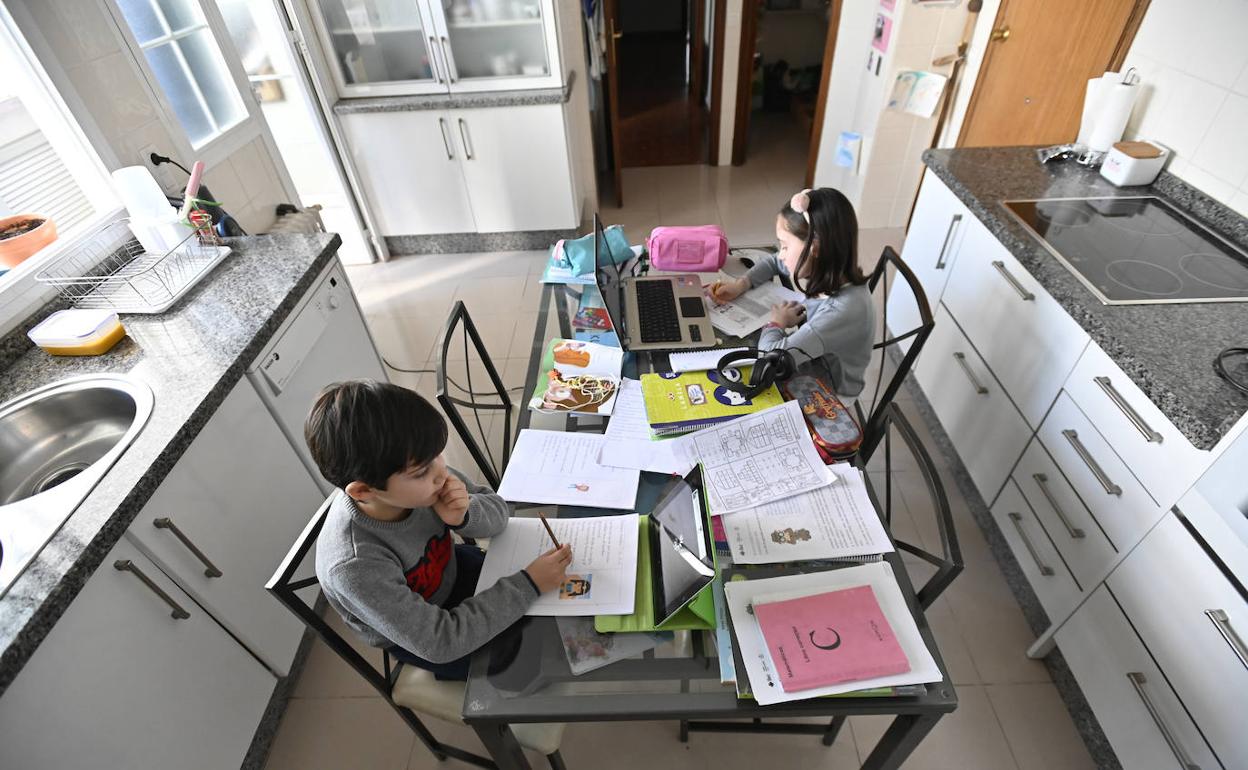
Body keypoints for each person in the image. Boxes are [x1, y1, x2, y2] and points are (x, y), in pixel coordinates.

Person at [304, 380, 573, 680]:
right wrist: (528, 584)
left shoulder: (424, 471)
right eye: (421, 472)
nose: (441, 472)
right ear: (364, 491)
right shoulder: (355, 565)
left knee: (544, 611)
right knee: (514, 662)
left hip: (451, 568)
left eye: (437, 456)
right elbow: (440, 642)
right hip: (418, 631)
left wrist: (463, 516)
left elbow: (499, 514)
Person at [709, 187, 875, 400]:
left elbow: (771, 356)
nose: (782, 254)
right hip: (815, 354)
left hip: (830, 392)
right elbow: (773, 261)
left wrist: (777, 323)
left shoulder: (840, 311)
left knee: (746, 379)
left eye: (785, 246)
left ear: (815, 248)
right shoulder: (837, 273)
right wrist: (741, 284)